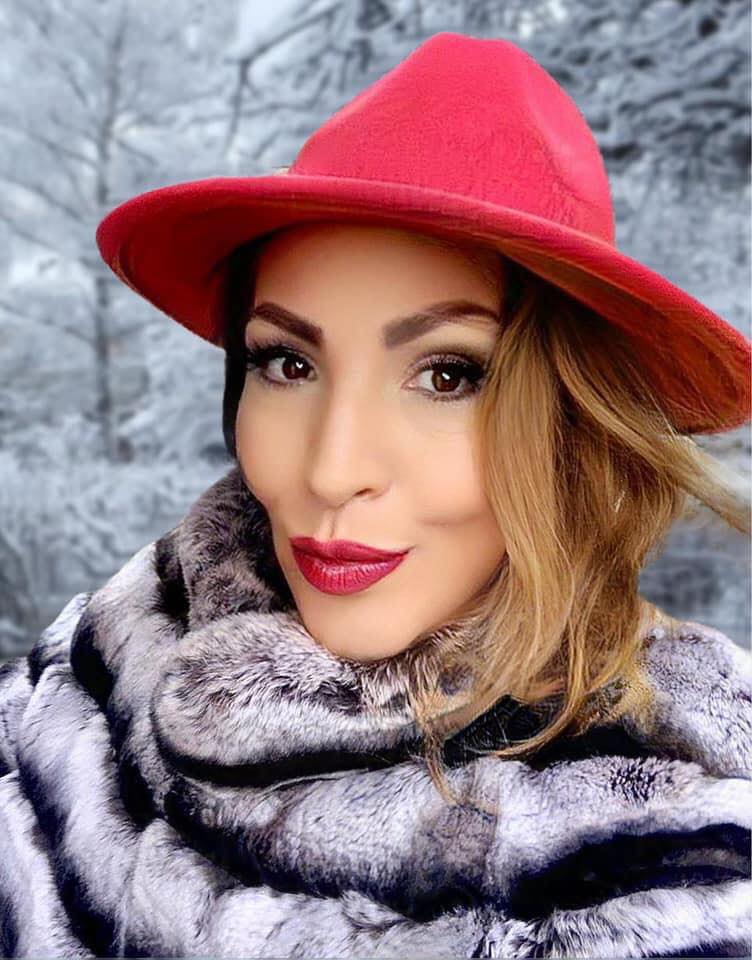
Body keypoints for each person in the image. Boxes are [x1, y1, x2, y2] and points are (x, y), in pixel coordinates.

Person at [1, 31, 751, 960]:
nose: (330, 470)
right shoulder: (82, 693)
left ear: (576, 421)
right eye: (288, 362)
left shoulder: (674, 865)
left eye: (447, 375)